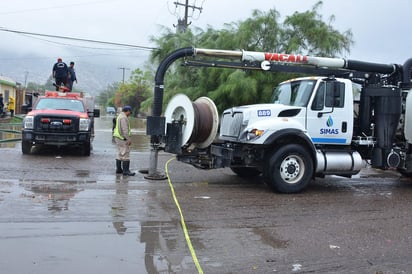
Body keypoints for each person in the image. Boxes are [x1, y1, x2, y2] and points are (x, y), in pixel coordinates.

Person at [112, 106, 135, 176]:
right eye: (130, 112)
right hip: (122, 138)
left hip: (118, 137)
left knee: (119, 153)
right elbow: (125, 130)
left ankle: (119, 170)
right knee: (126, 154)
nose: (130, 114)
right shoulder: (123, 118)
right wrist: (128, 139)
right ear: (127, 111)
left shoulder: (120, 116)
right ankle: (126, 171)